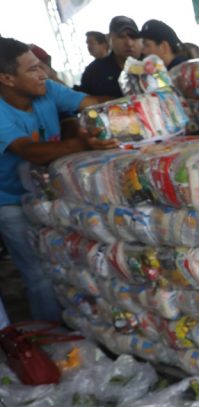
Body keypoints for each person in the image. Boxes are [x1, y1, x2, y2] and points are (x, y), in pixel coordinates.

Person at [0, 38, 115, 322]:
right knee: (38, 272)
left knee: (67, 259)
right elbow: (30, 151)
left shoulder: (47, 90)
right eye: (33, 69)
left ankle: (79, 323)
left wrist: (135, 96)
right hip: (11, 200)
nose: (44, 73)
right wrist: (81, 144)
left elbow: (92, 103)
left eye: (41, 66)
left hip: (47, 192)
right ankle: (51, 333)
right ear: (7, 78)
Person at [78, 16, 140, 97]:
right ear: (109, 38)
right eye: (121, 36)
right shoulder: (94, 72)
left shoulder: (150, 65)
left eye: (133, 36)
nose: (129, 43)